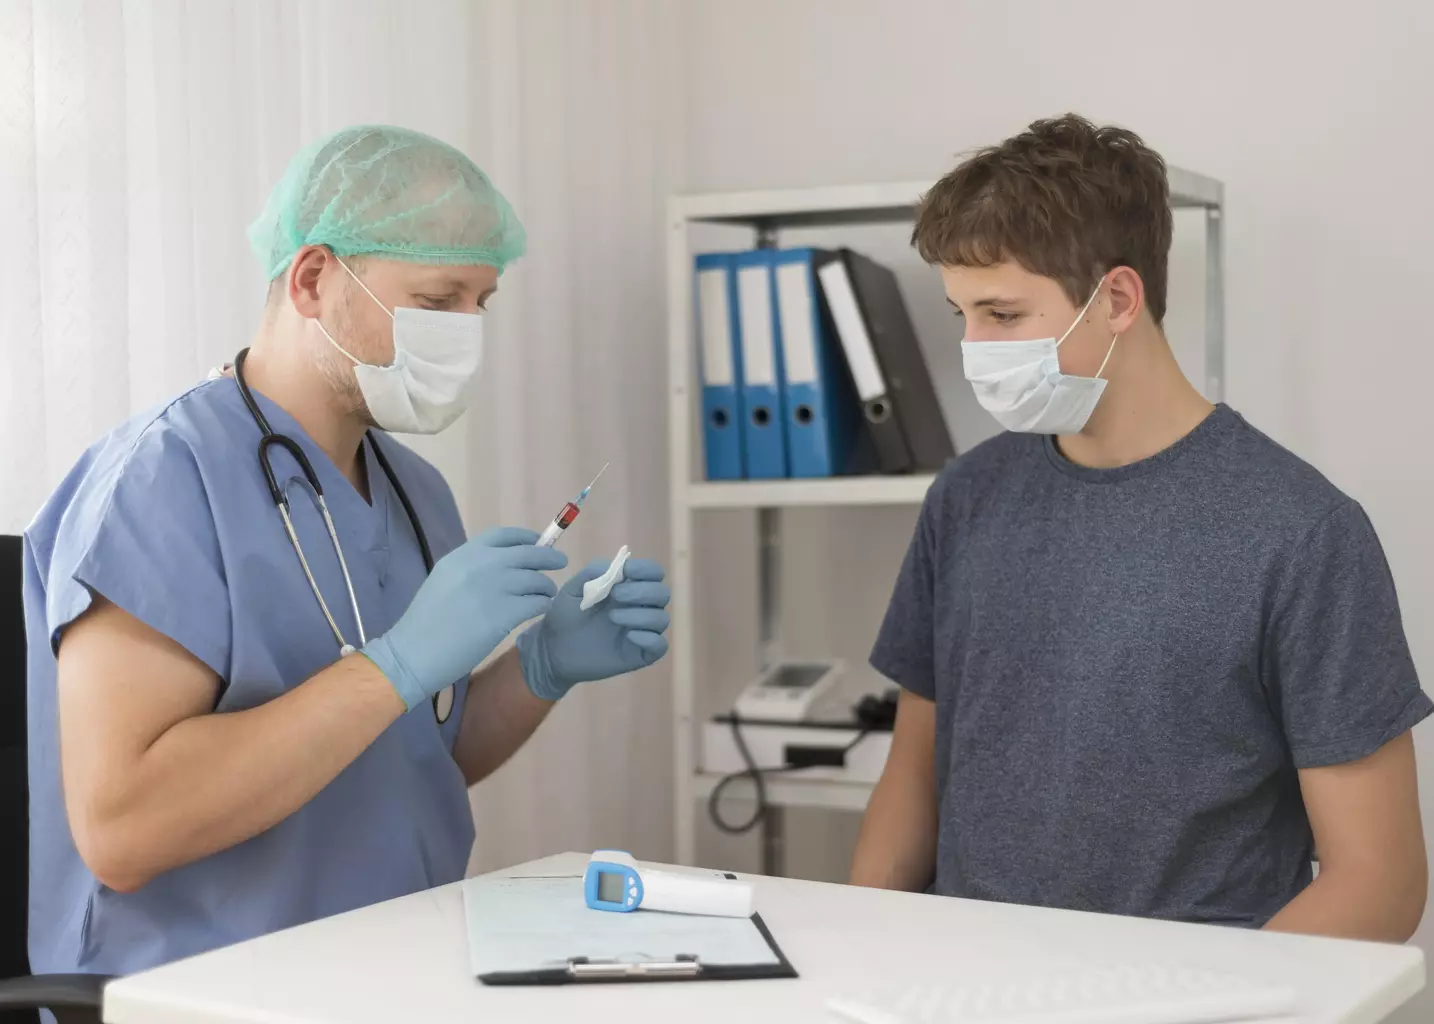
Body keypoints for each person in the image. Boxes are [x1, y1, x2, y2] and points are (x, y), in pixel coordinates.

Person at [23, 125, 672, 976]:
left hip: (391, 968)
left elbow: (415, 759)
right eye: (439, 301)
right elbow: (124, 826)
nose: (467, 330)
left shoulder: (412, 489)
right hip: (203, 985)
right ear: (314, 279)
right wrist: (394, 664)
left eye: (484, 302)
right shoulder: (161, 483)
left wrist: (540, 668)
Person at [849, 114, 1430, 941]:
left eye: (1004, 315)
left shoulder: (1301, 534)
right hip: (965, 984)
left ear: (1117, 298)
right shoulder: (967, 497)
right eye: (961, 315)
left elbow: (1381, 881)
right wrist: (870, 955)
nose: (975, 348)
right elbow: (912, 778)